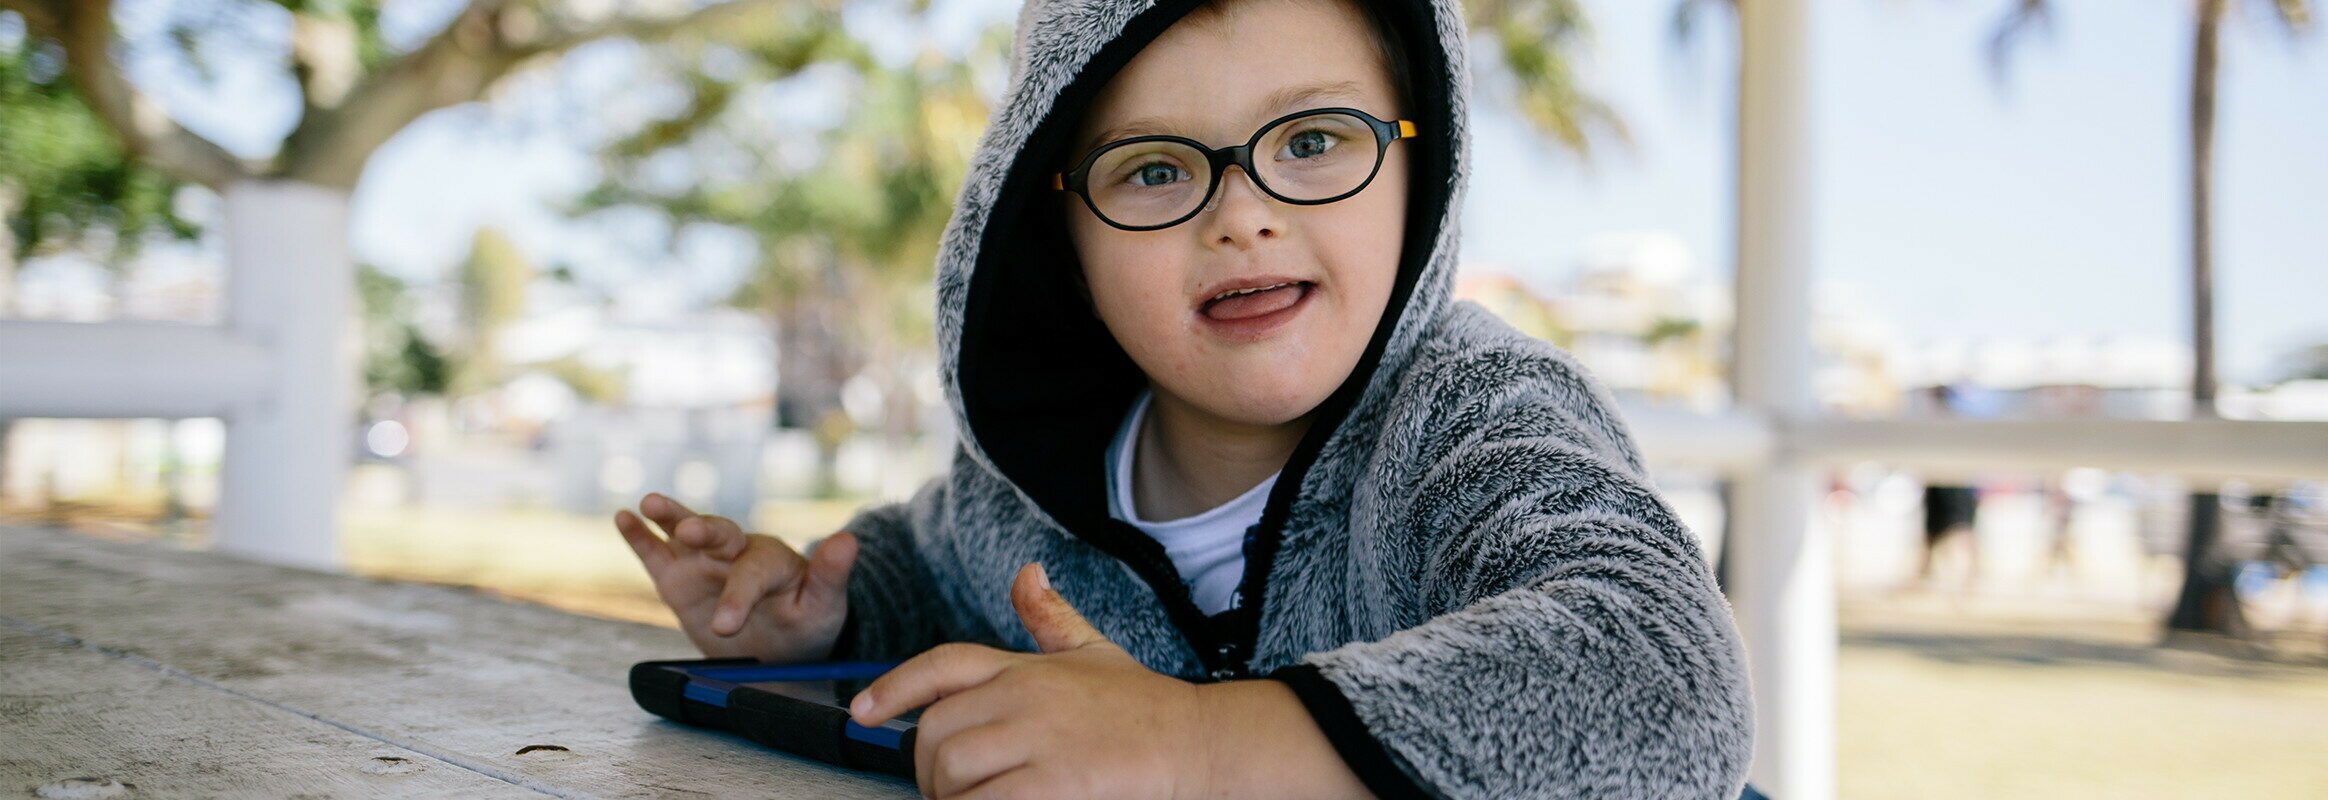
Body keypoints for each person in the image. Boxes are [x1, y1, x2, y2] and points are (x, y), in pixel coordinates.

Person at [613, 0, 1755, 796]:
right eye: (1155, 168)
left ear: (1426, 173)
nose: (1242, 214)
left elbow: (1666, 676)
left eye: (1314, 140)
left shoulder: (1476, 415)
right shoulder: (1032, 483)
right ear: (1054, 237)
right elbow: (935, 564)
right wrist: (828, 616)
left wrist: (1196, 748)